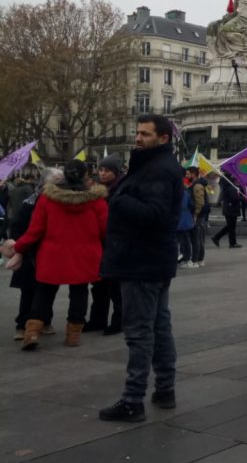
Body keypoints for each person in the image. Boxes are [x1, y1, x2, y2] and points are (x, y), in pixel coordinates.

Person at [98, 114, 184, 422]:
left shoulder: (158, 170)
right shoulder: (153, 165)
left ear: (163, 138)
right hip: (151, 259)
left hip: (141, 261)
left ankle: (133, 399)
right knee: (160, 327)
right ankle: (165, 388)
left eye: (145, 134)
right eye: (137, 132)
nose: (137, 138)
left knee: (139, 332)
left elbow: (157, 214)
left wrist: (116, 201)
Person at [2, 160, 108, 351]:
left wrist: (19, 247)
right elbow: (104, 230)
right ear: (86, 175)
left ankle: (32, 332)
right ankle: (73, 335)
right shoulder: (96, 200)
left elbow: (35, 230)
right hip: (85, 255)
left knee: (44, 292)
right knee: (79, 292)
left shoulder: (48, 198)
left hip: (52, 254)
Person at [5, 170, 59, 341]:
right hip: (29, 251)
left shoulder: (57, 200)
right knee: (28, 290)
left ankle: (45, 321)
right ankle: (22, 325)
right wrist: (20, 247)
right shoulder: (31, 202)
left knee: (49, 289)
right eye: (57, 181)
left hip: (48, 251)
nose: (61, 184)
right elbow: (18, 226)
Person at [85, 156, 126, 335]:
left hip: (115, 241)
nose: (102, 173)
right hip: (99, 242)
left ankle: (119, 321)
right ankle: (97, 319)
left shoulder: (121, 189)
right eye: (101, 170)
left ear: (115, 173)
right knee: (99, 284)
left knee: (115, 286)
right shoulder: (97, 189)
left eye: (107, 171)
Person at [188, 168, 211, 268]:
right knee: (199, 237)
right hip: (202, 214)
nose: (186, 176)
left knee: (197, 238)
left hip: (199, 215)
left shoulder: (197, 185)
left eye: (188, 174)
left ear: (193, 174)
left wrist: (195, 214)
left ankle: (197, 259)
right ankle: (200, 259)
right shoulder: (199, 184)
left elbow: (200, 201)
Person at [211, 174, 242, 248]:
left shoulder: (227, 186)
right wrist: (241, 198)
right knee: (231, 227)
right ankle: (231, 243)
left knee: (230, 226)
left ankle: (217, 238)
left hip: (229, 209)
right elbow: (233, 198)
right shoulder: (230, 187)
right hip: (231, 209)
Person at [175, 170, 196, 267]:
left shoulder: (172, 194)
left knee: (178, 241)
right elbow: (191, 205)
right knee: (185, 240)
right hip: (185, 220)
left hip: (177, 220)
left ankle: (183, 258)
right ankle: (186, 259)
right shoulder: (186, 193)